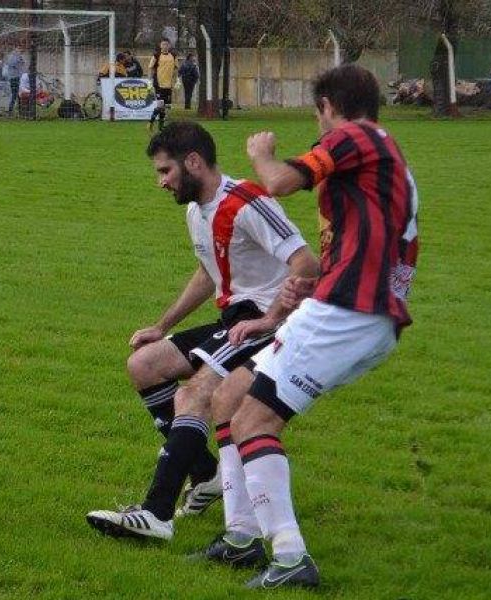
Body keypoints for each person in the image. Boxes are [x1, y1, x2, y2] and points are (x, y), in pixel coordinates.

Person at [192, 64, 420, 589]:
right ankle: (241, 537)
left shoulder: (356, 136)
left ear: (327, 108)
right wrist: (279, 311)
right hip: (347, 309)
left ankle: (291, 557)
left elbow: (277, 183)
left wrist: (260, 153)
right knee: (229, 398)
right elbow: (356, 251)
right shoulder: (380, 159)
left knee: (254, 421)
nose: (321, 131)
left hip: (348, 314)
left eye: (318, 117)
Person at [86, 121, 318, 541]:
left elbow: (307, 264)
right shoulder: (197, 211)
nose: (161, 182)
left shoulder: (246, 201)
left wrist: (272, 319)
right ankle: (207, 475)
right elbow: (209, 273)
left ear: (193, 162)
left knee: (193, 393)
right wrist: (162, 326)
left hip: (266, 322)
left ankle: (157, 513)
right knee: (143, 365)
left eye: (164, 171)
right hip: (234, 320)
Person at [148, 38, 178, 131]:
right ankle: (151, 122)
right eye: (163, 44)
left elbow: (176, 69)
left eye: (167, 44)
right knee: (161, 105)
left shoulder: (173, 55)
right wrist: (149, 81)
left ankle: (161, 126)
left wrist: (177, 80)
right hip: (159, 84)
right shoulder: (156, 55)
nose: (165, 46)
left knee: (167, 106)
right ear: (160, 45)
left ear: (169, 46)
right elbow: (150, 68)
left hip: (168, 85)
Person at [4, 46, 25, 115]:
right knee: (15, 94)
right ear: (16, 49)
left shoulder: (19, 56)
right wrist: (20, 60)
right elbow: (13, 64)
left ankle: (20, 109)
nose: (21, 50)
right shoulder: (13, 57)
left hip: (19, 77)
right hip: (14, 78)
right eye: (19, 48)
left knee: (19, 94)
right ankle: (11, 109)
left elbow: (22, 64)